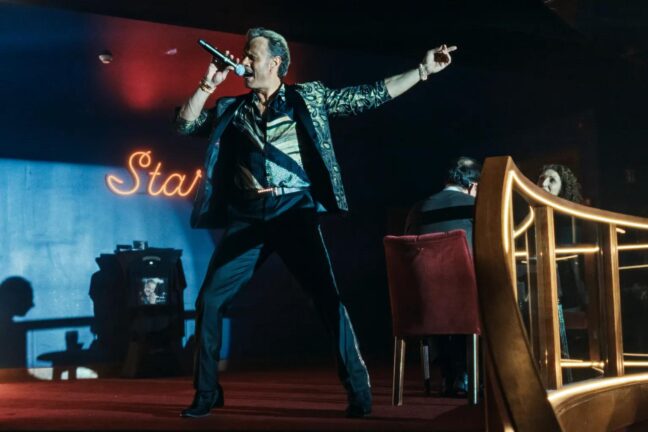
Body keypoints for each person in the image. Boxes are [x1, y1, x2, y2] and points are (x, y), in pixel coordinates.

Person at [175, 27, 457, 418]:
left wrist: (422, 71)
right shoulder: (232, 108)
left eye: (252, 55)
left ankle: (358, 390)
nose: (244, 61)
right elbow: (185, 125)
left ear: (275, 63)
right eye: (245, 54)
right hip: (248, 217)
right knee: (209, 300)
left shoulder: (307, 97)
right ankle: (207, 392)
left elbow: (367, 96)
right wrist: (208, 83)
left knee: (327, 300)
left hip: (293, 211)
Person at [404, 157, 481, 397]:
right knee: (474, 292)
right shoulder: (475, 206)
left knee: (440, 296)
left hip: (421, 301)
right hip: (462, 299)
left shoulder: (417, 209)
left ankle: (450, 374)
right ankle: (468, 374)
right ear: (473, 186)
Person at [537, 163, 587, 382]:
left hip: (566, 288)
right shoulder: (533, 213)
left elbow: (569, 259)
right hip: (544, 285)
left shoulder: (568, 216)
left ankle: (570, 379)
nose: (544, 184)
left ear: (563, 187)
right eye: (541, 179)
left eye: (552, 180)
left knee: (568, 340)